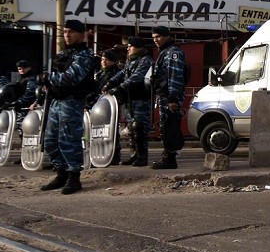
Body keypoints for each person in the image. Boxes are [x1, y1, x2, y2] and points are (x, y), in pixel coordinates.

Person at [38, 20, 97, 194]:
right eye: (65, 32)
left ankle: (73, 176)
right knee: (50, 140)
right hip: (56, 100)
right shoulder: (65, 54)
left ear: (81, 34)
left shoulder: (85, 55)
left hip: (71, 101)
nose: (67, 35)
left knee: (68, 140)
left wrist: (48, 77)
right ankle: (60, 173)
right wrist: (46, 84)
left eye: (71, 32)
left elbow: (71, 78)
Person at [107, 37, 153, 166]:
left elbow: (136, 77)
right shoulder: (131, 60)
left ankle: (142, 157)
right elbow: (123, 73)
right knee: (132, 129)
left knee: (139, 128)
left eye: (130, 46)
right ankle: (134, 155)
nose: (128, 48)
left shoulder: (145, 60)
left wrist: (118, 88)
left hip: (141, 99)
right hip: (130, 99)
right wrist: (110, 83)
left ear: (138, 47)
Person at [150, 25, 188, 170]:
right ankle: (167, 156)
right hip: (165, 96)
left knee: (170, 127)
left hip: (170, 97)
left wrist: (173, 98)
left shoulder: (173, 53)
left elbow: (175, 76)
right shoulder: (164, 52)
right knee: (165, 126)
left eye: (158, 37)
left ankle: (170, 158)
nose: (155, 40)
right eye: (153, 38)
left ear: (167, 36)